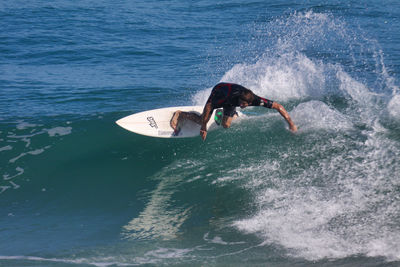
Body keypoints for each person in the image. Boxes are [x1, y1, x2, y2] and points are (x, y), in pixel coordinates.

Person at [170, 82, 298, 140]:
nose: (242, 106)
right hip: (218, 93)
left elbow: (278, 106)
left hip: (230, 102)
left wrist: (291, 124)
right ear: (239, 99)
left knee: (226, 125)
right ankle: (180, 114)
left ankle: (227, 115)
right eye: (241, 103)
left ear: (249, 102)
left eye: (244, 105)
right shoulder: (226, 97)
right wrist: (204, 127)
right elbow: (209, 105)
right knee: (202, 119)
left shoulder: (255, 100)